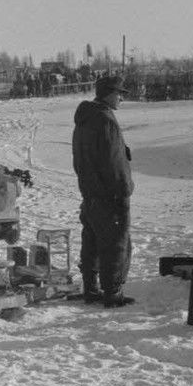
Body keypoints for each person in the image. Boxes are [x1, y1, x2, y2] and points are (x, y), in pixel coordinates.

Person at [71, 75, 136, 308]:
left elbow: (80, 161)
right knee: (115, 243)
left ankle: (91, 288)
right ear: (109, 94)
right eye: (119, 93)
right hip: (110, 194)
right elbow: (114, 162)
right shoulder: (106, 120)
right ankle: (113, 292)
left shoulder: (84, 119)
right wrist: (123, 189)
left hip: (90, 193)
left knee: (91, 241)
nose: (121, 98)